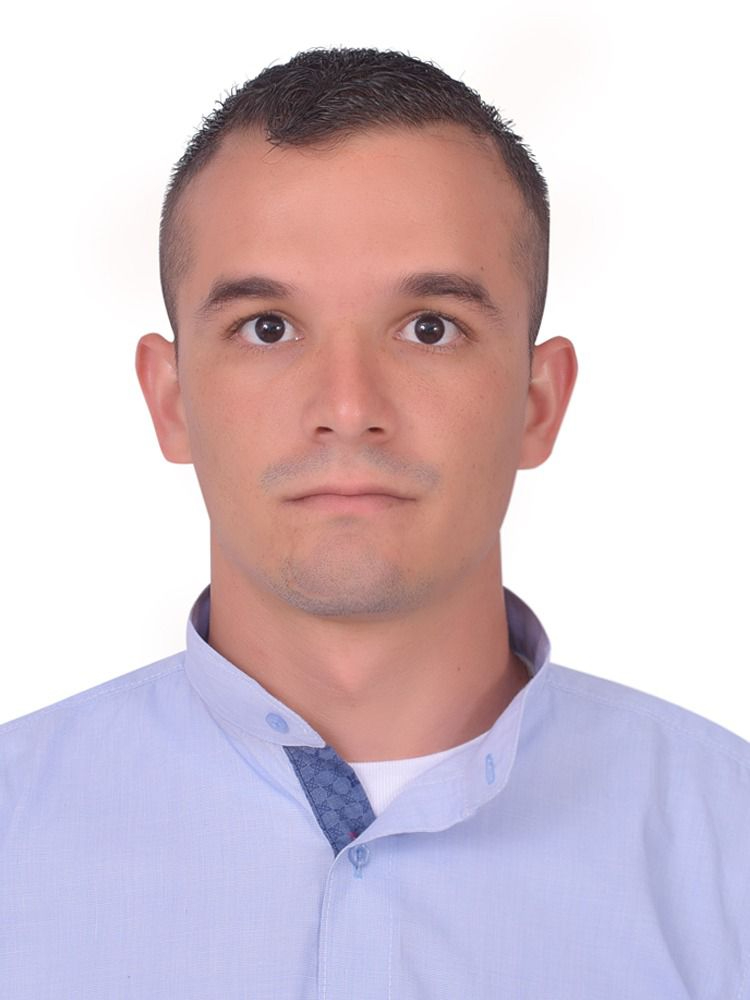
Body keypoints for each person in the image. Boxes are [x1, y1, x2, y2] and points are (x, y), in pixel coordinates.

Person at [1, 46, 748, 999]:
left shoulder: (729, 850)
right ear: (170, 398)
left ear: (538, 402)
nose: (348, 408)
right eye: (267, 327)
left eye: (430, 327)